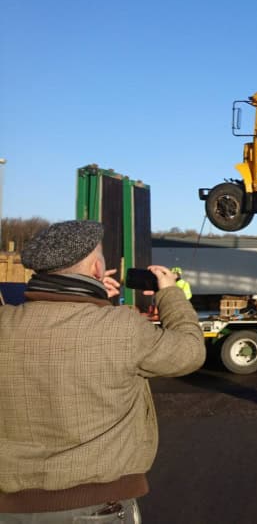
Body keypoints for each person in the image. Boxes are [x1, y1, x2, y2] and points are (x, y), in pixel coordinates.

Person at [0, 220, 206, 522]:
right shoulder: (122, 328)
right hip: (96, 508)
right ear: (97, 270)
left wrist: (95, 301)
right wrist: (170, 294)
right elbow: (190, 351)